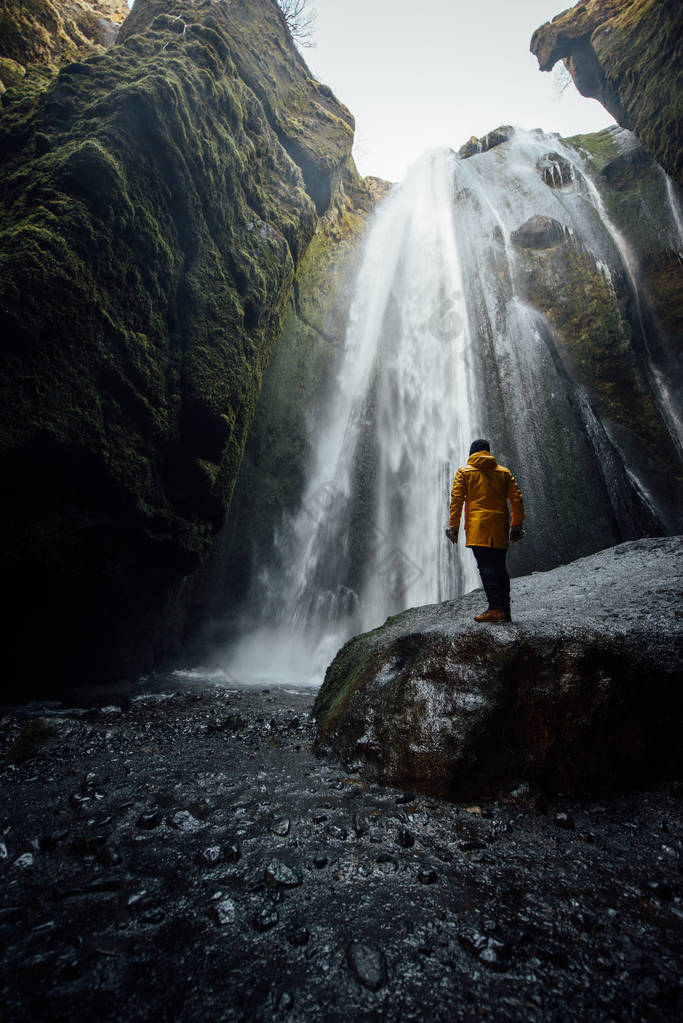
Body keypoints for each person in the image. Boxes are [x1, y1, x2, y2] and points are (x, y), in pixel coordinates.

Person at [445, 439, 525, 622]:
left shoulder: (464, 472)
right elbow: (516, 499)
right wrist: (517, 525)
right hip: (499, 526)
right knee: (500, 566)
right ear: (488, 452)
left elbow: (456, 499)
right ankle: (505, 609)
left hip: (478, 526)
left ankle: (495, 608)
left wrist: (453, 526)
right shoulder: (503, 473)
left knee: (485, 565)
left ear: (471, 454)